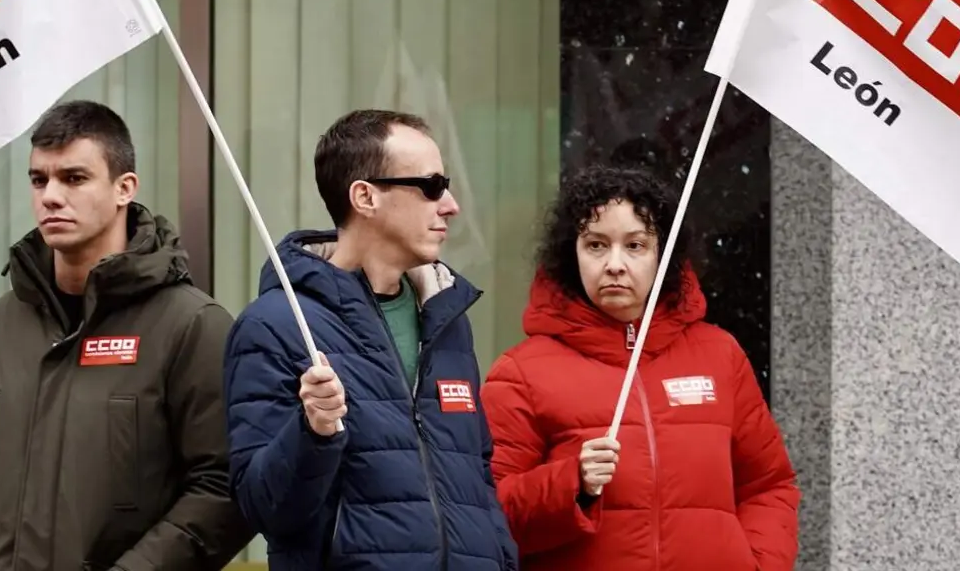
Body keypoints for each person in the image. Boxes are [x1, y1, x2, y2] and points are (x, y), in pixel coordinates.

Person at [0, 100, 254, 571]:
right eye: (39, 180)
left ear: (124, 189)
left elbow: (223, 488)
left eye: (73, 178)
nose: (51, 196)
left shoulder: (191, 325)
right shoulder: (2, 324)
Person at [222, 109, 518, 570]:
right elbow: (263, 506)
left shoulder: (446, 316)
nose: (451, 204)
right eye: (431, 186)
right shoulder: (277, 325)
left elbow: (476, 477)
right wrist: (313, 431)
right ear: (364, 196)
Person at [481, 164, 800, 571]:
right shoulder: (521, 372)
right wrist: (568, 484)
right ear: (570, 253)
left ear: (663, 256)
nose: (615, 264)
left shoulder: (721, 355)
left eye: (635, 245)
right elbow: (484, 513)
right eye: (596, 245)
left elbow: (768, 486)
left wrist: (759, 564)